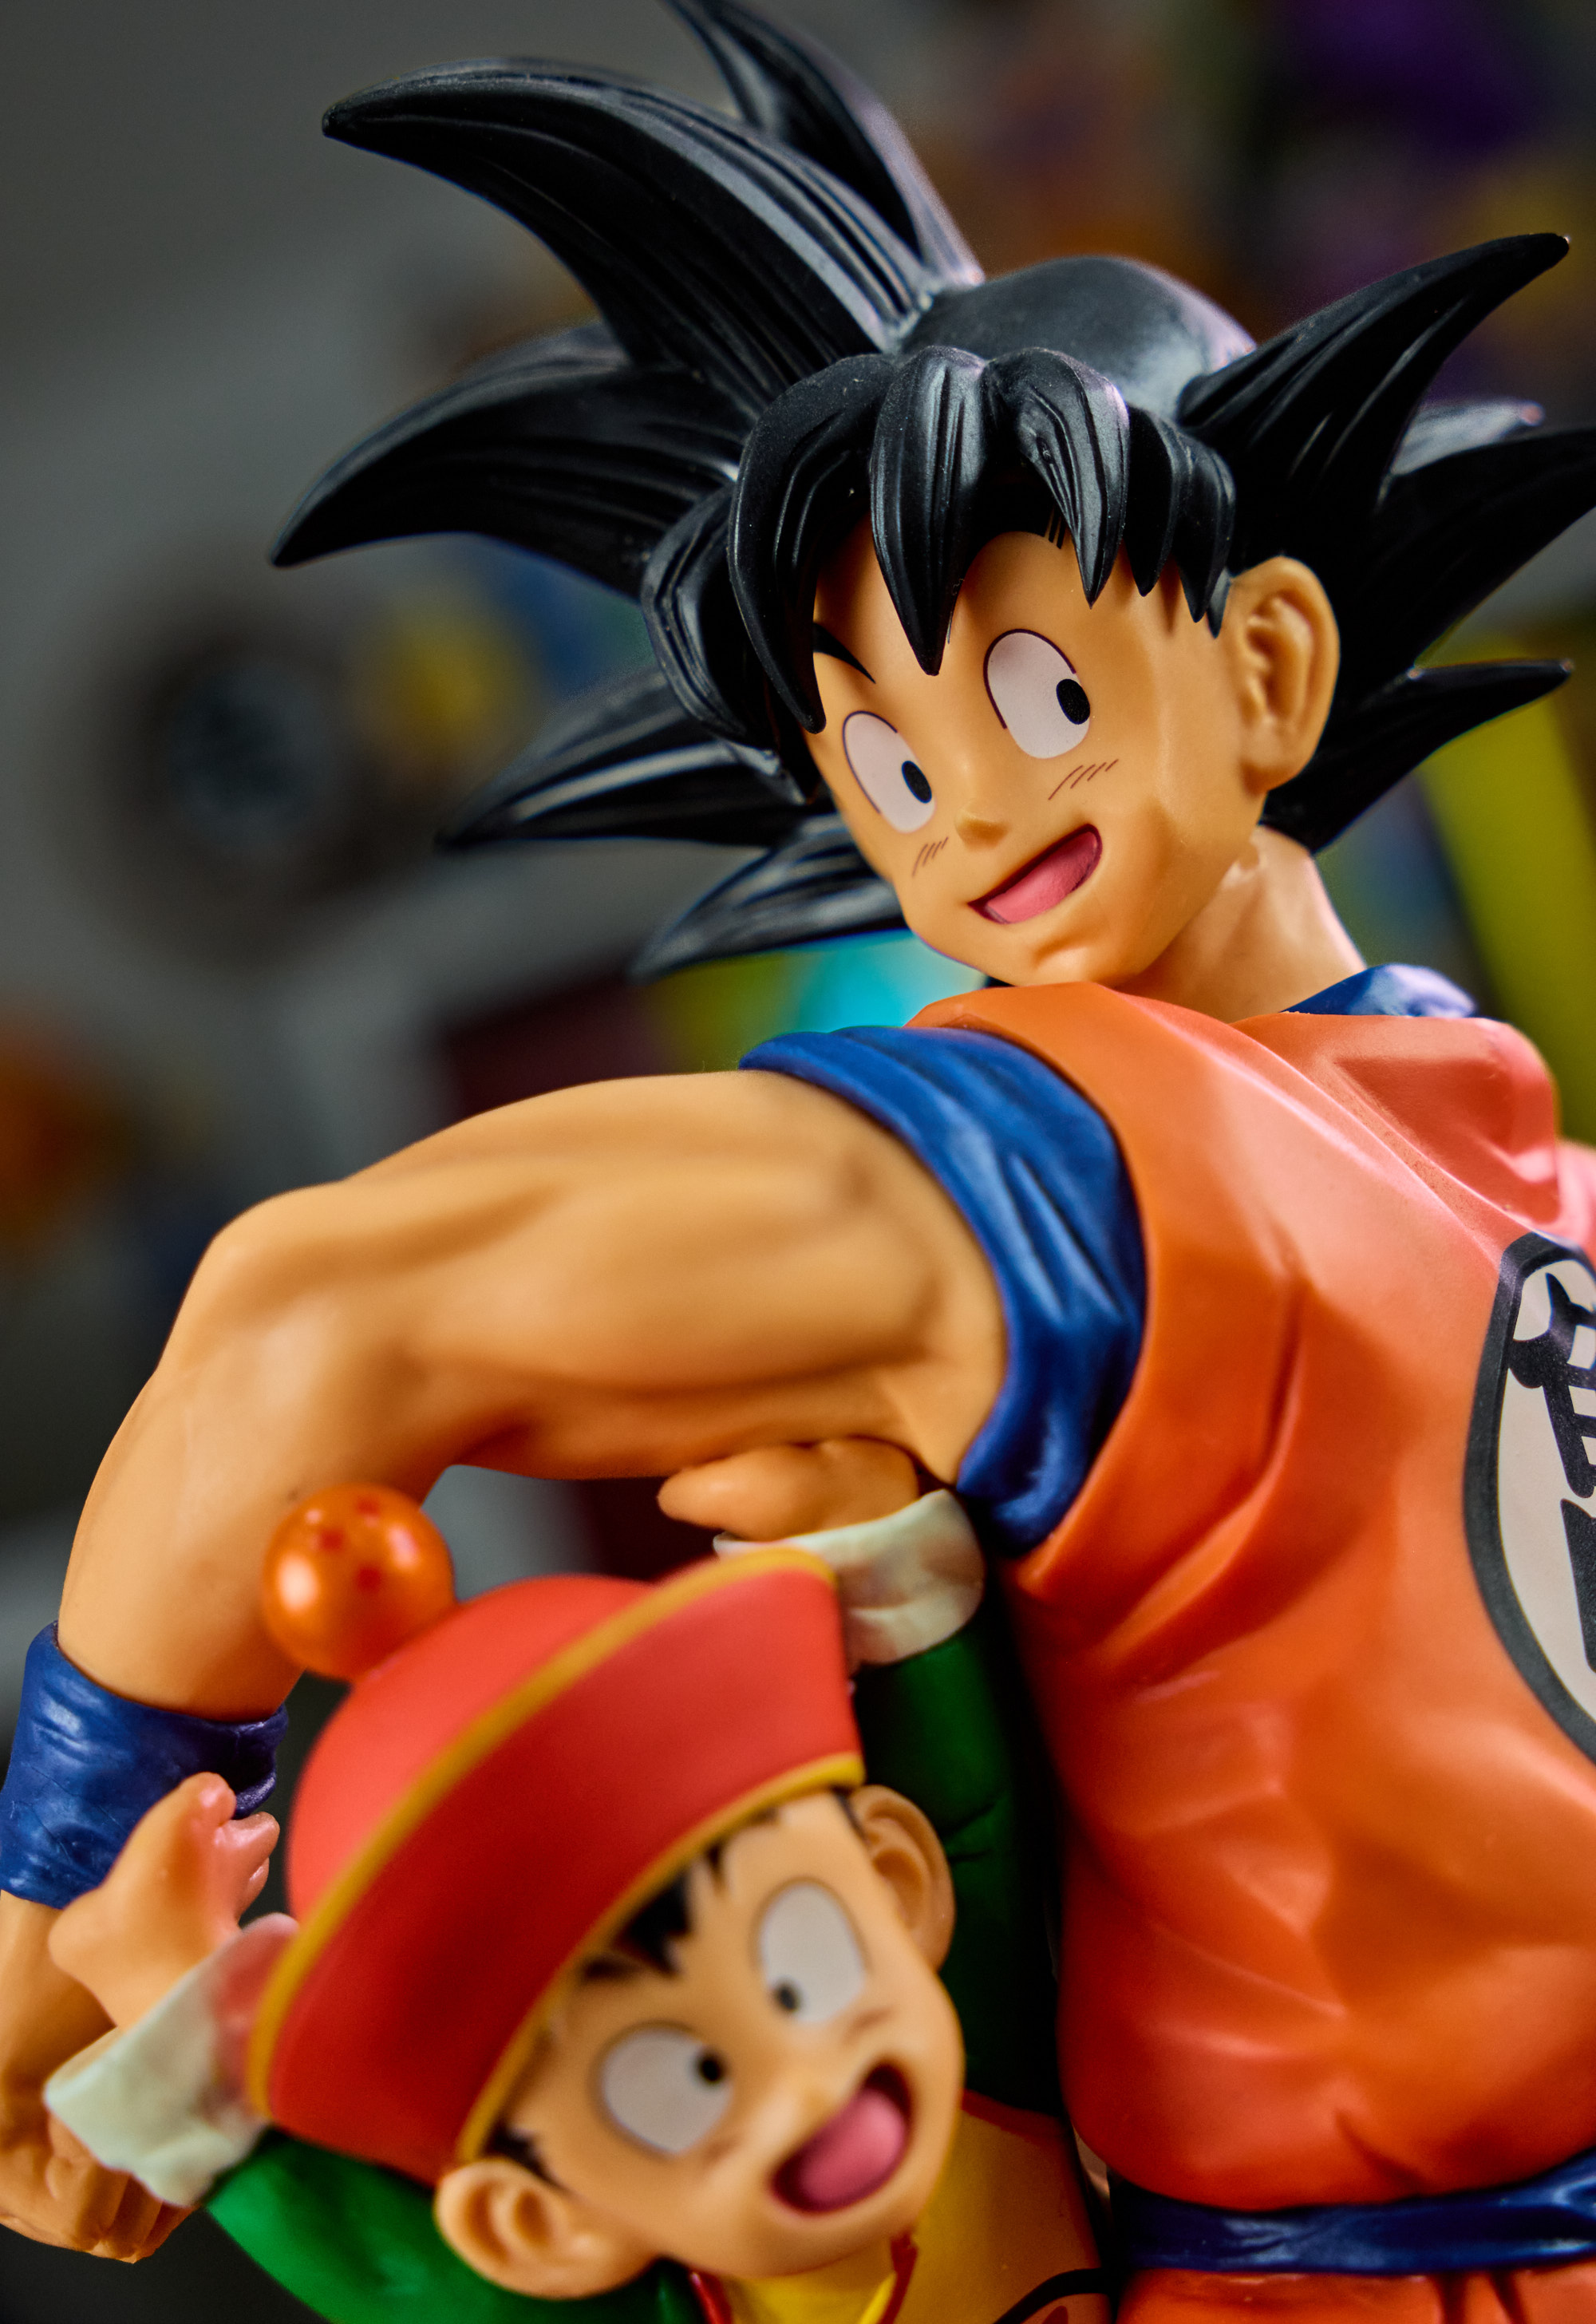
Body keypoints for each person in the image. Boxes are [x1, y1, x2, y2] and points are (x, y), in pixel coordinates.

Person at [5, 2, 1596, 2315]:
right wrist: (52, 1935)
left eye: (1039, 691)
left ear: (1264, 663)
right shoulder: (1071, 1164)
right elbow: (319, 1315)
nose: (971, 809)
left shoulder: (1492, 1152)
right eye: (886, 757)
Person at [42, 1485, 1104, 2324]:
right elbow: (388, 2271)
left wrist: (853, 1523)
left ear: (894, 1886)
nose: (804, 2089)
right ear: (541, 2222)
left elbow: (968, 1800)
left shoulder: (972, 2042)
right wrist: (170, 1997)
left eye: (804, 1974)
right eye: (678, 2084)